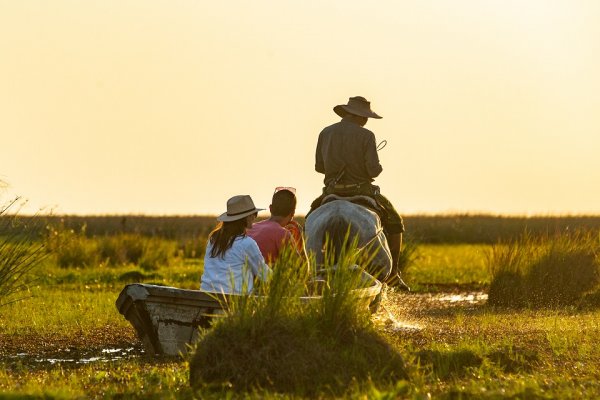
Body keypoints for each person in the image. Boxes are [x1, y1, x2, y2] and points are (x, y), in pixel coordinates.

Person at [308, 96, 409, 290]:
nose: (366, 121)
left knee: (312, 216)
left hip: (331, 192)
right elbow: (373, 171)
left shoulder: (325, 132)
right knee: (395, 222)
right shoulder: (366, 136)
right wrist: (375, 168)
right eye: (365, 117)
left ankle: (309, 270)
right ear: (359, 116)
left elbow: (319, 167)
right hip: (360, 190)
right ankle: (394, 273)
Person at [200, 195, 272, 294]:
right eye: (254, 214)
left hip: (206, 297)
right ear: (245, 218)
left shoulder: (213, 240)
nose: (254, 217)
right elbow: (264, 275)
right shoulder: (247, 243)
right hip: (234, 302)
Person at [247, 187, 305, 263]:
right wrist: (300, 238)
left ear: (270, 208)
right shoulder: (283, 234)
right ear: (293, 213)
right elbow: (302, 269)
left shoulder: (251, 228)